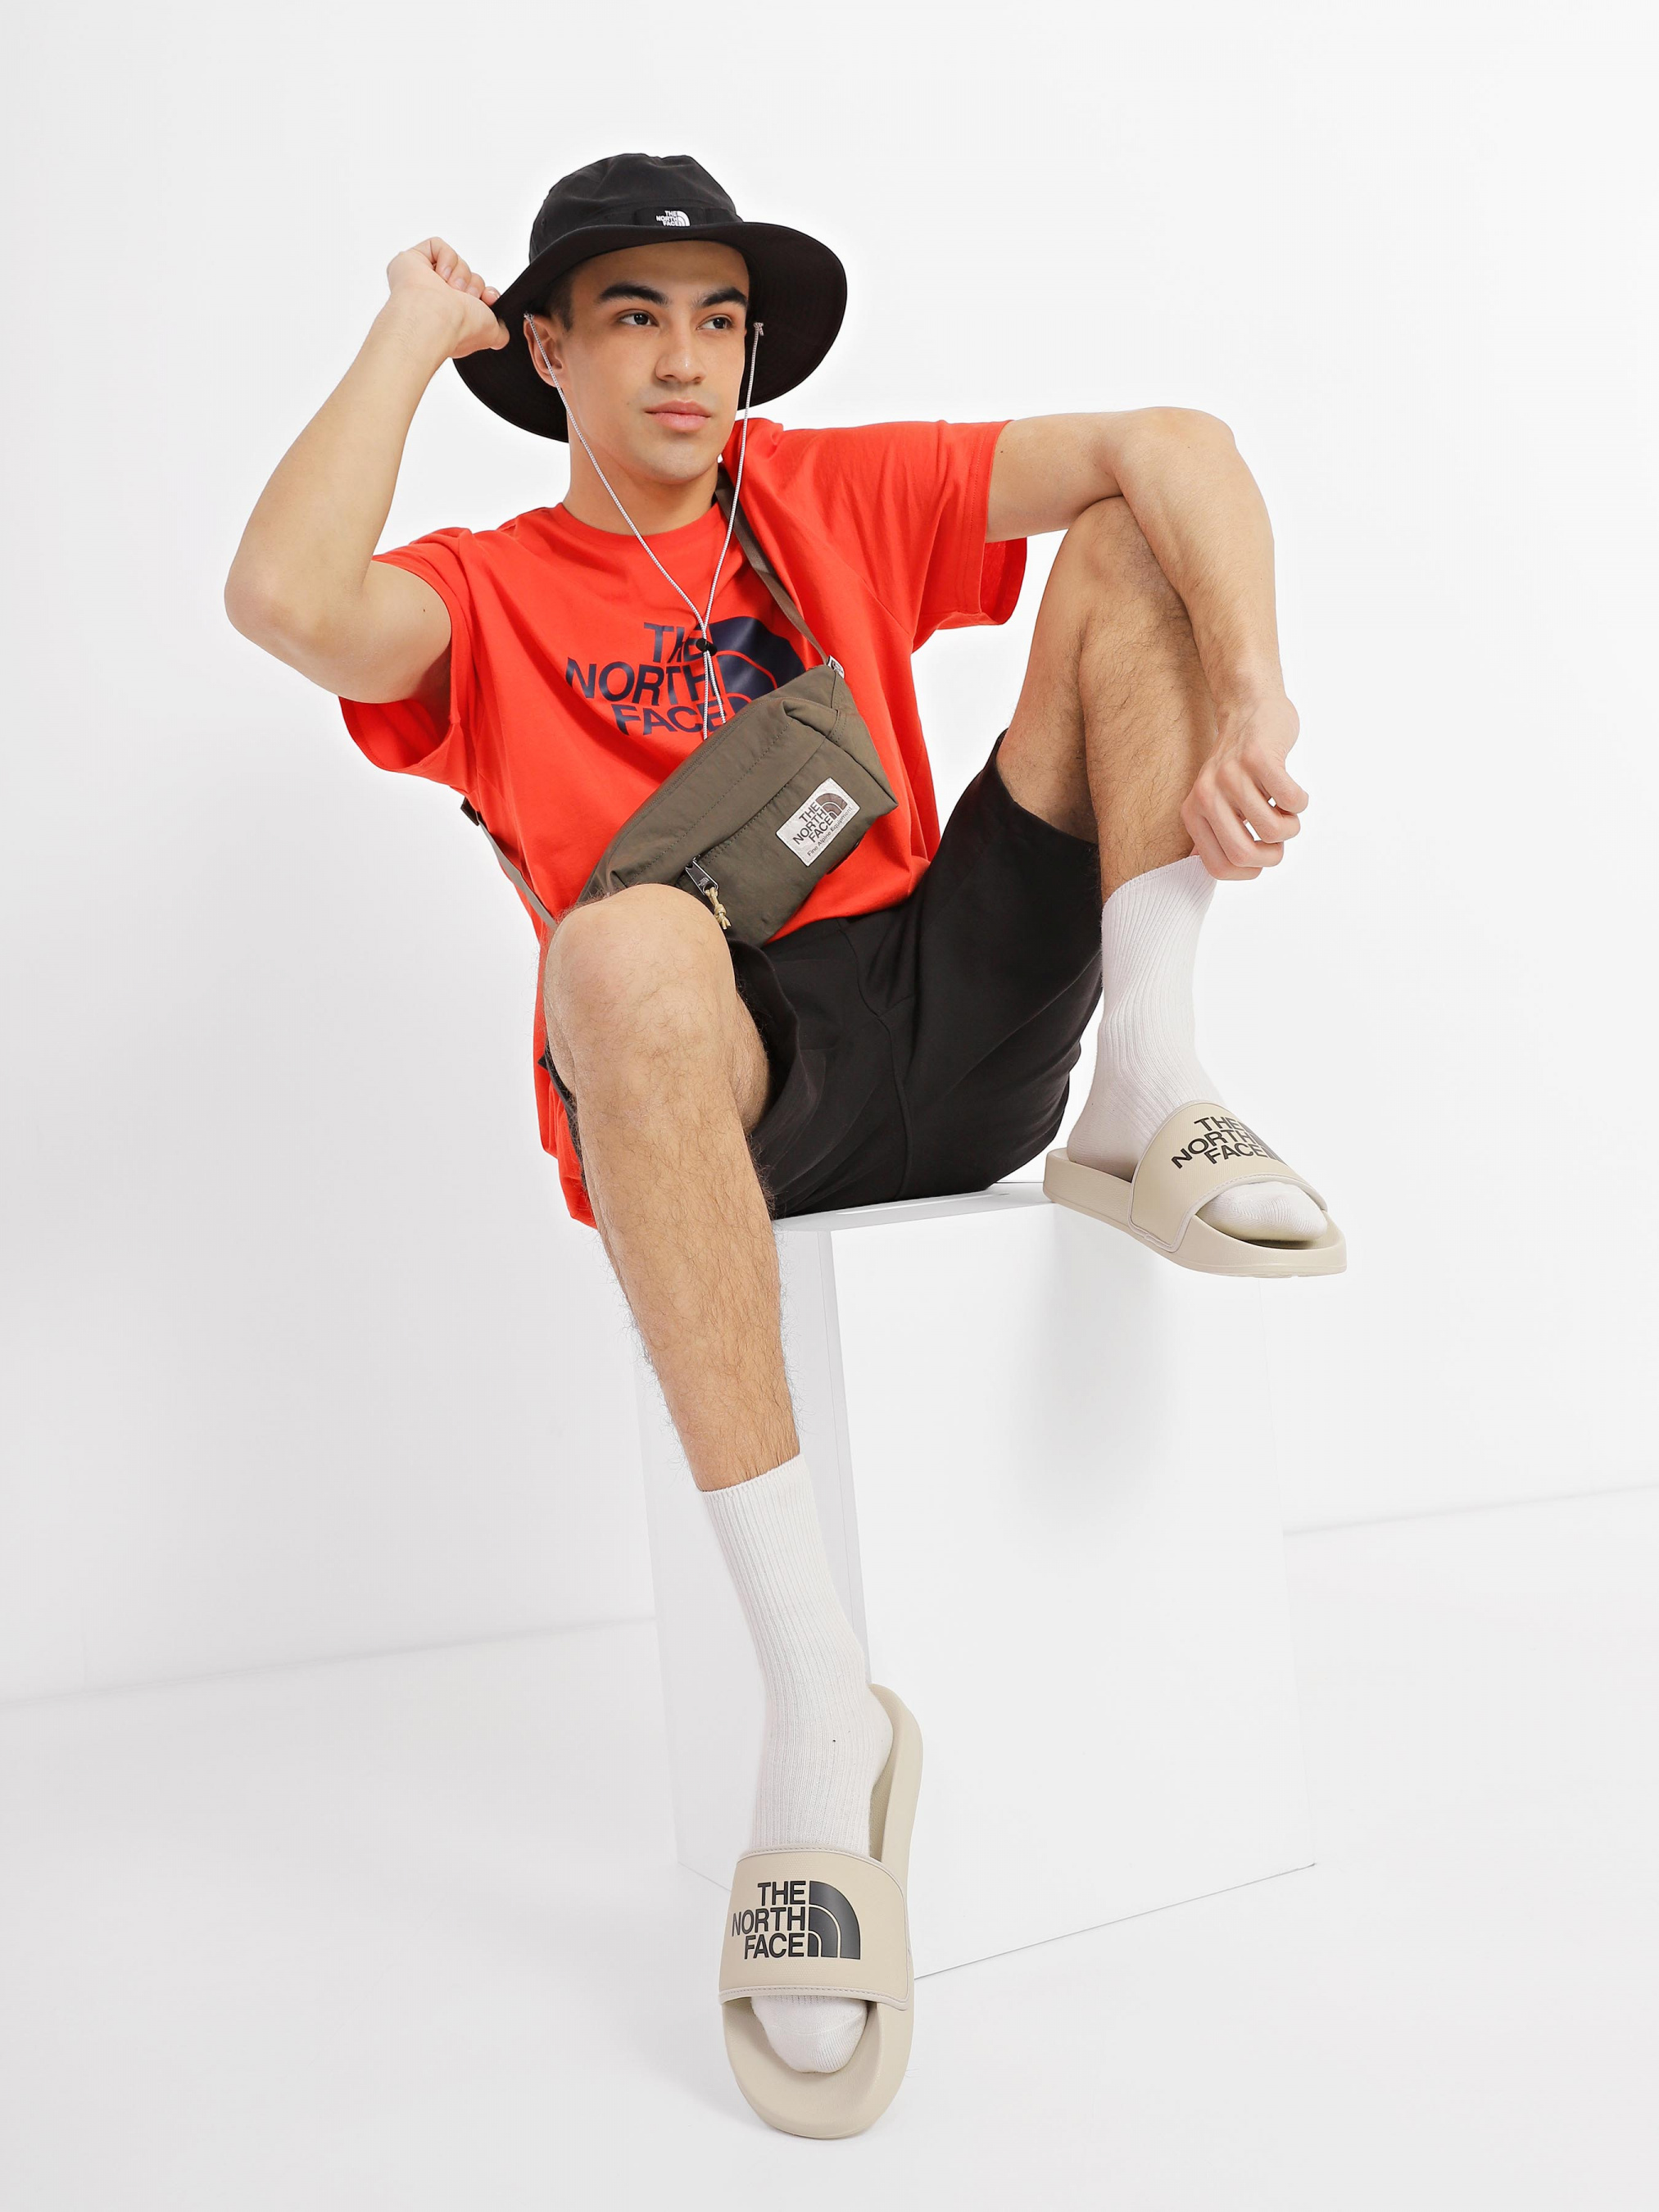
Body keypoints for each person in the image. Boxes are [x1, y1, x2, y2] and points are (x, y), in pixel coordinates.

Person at [225, 149, 1337, 2092]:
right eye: (634, 318)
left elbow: (1179, 441)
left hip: (950, 1008)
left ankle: (1148, 1087)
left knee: (1129, 528)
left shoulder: (822, 491)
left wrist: (1249, 701)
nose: (687, 361)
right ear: (547, 351)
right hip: (735, 1085)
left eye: (719, 319)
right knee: (617, 951)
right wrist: (410, 333)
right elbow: (286, 599)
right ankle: (822, 1705)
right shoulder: (486, 592)